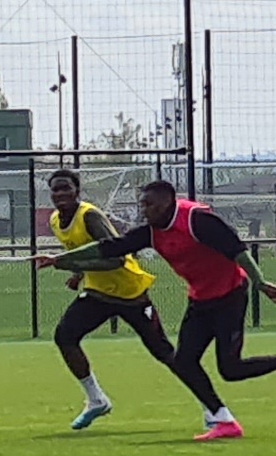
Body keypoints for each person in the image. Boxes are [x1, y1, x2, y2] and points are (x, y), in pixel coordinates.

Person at [38, 180, 276, 442]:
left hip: (230, 297)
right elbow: (110, 248)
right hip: (200, 300)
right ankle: (223, 420)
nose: (143, 210)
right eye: (142, 204)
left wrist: (260, 282)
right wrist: (59, 259)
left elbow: (237, 249)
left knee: (230, 369)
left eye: (149, 204)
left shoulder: (197, 220)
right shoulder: (151, 232)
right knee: (184, 362)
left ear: (167, 203)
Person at [43, 168, 183, 431]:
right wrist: (78, 274)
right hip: (99, 292)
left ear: (77, 191)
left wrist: (69, 265)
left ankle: (212, 407)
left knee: (163, 351)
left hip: (129, 293)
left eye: (66, 188)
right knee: (65, 336)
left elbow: (115, 258)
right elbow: (82, 251)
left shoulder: (90, 216)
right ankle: (96, 400)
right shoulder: (55, 220)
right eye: (56, 189)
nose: (60, 193)